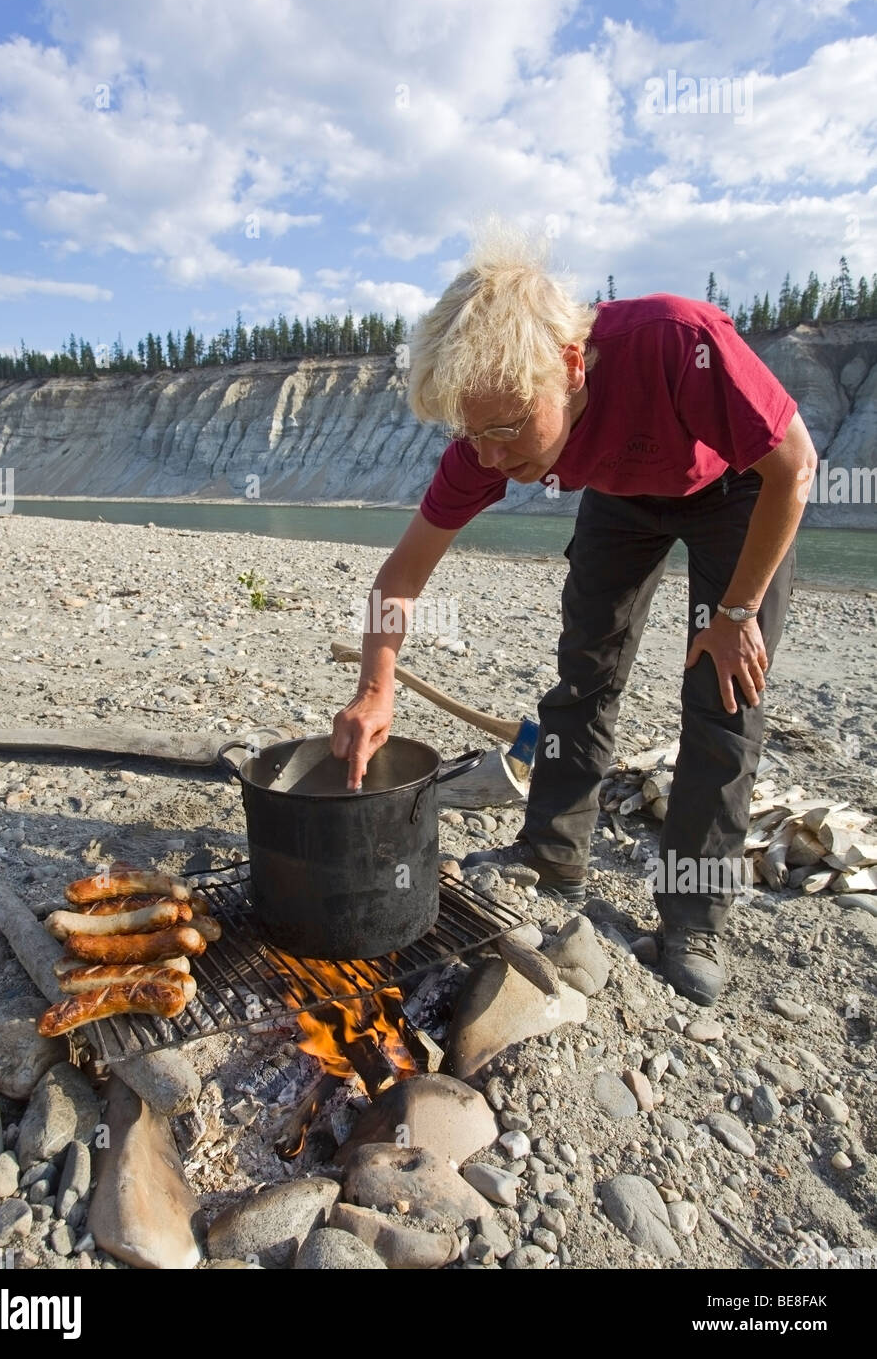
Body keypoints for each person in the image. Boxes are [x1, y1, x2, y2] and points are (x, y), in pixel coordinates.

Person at [330, 226, 817, 1006]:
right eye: (470, 433)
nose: (489, 458)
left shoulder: (674, 341)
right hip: (624, 497)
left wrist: (734, 613)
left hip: (737, 493)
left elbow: (793, 466)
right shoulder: (488, 432)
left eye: (505, 429)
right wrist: (374, 686)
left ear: (568, 364)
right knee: (584, 668)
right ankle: (551, 850)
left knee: (723, 696)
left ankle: (691, 917)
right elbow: (403, 571)